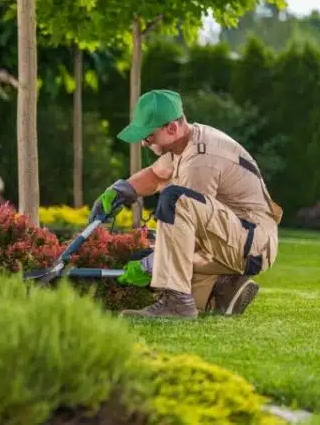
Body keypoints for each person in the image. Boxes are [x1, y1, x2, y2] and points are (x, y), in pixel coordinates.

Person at [88, 89, 282, 319]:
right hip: (233, 236)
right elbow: (156, 175)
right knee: (149, 251)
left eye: (148, 136)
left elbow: (192, 233)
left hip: (251, 244)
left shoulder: (200, 162)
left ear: (171, 128)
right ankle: (223, 288)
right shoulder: (183, 143)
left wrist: (150, 265)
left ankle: (178, 302)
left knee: (174, 201)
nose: (143, 143)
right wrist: (121, 190)